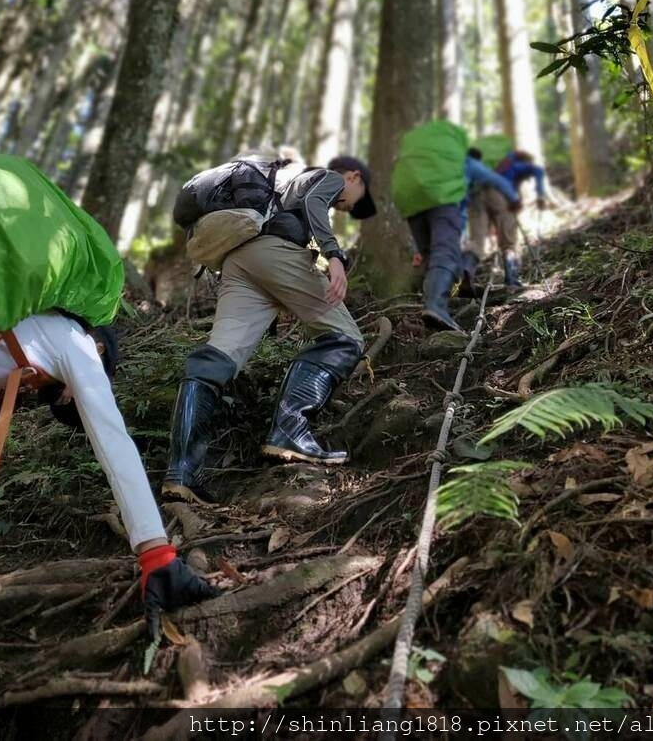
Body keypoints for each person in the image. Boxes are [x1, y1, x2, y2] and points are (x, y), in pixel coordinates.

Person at [0, 306, 218, 639]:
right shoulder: (77, 342)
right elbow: (113, 439)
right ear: (101, 349)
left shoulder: (33, 325)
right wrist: (157, 552)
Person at [162, 154, 376, 506]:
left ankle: (181, 472)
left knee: (217, 358)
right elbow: (313, 202)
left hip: (237, 260)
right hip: (272, 251)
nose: (347, 207)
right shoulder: (327, 177)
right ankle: (289, 431)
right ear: (353, 177)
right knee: (345, 338)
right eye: (356, 200)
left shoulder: (281, 183)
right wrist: (334, 255)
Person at [392, 120, 519, 334]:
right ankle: (436, 307)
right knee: (447, 254)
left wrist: (416, 249)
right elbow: (495, 179)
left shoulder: (423, 166)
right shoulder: (467, 162)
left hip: (412, 203)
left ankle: (436, 304)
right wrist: (514, 198)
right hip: (443, 204)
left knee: (429, 255)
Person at [465, 147, 548, 288]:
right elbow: (538, 171)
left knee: (476, 241)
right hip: (502, 195)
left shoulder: (483, 164)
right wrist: (540, 195)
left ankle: (466, 270)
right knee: (509, 242)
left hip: (476, 196)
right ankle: (512, 281)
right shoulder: (515, 163)